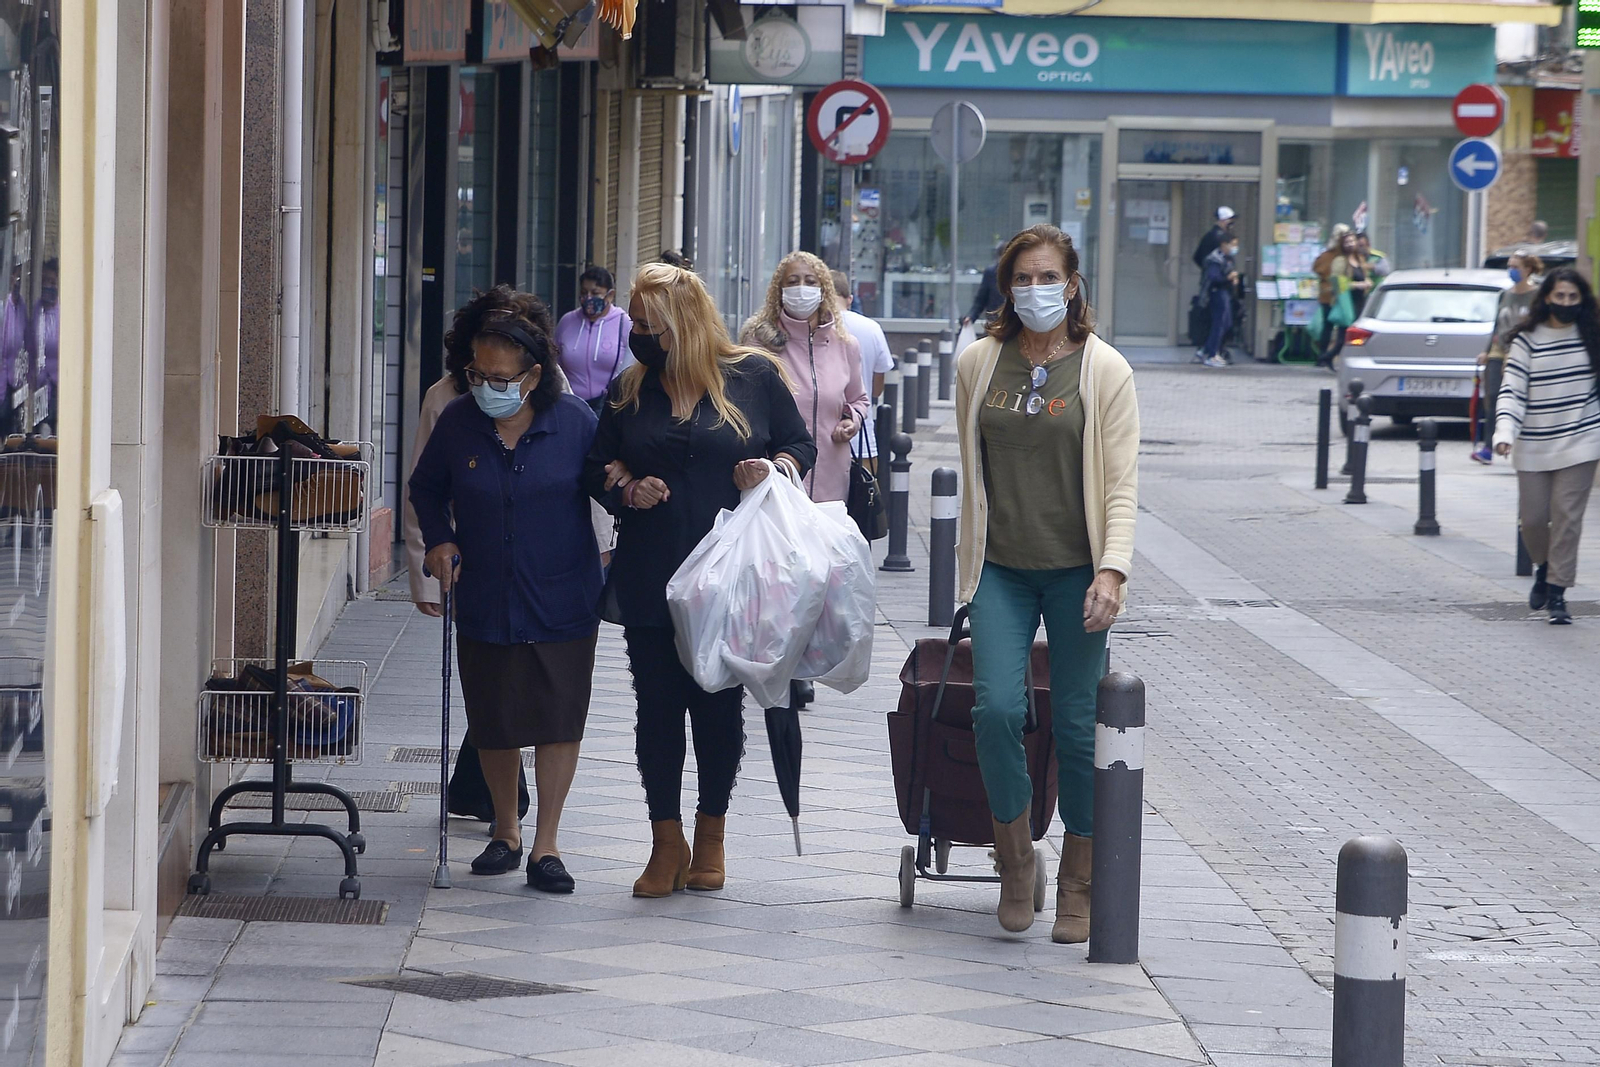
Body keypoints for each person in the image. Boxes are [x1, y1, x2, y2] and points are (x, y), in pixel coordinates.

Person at [586, 263, 816, 897]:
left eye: (645, 323)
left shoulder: (753, 376)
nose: (634, 332)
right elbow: (595, 463)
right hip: (650, 571)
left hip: (730, 575)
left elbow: (802, 446)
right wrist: (627, 486)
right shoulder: (631, 386)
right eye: (633, 320)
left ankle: (711, 832)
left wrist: (770, 469)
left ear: (680, 326)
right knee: (656, 708)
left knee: (716, 705)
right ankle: (665, 840)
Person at [952, 223, 1139, 942]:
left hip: (1076, 574)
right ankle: (1016, 858)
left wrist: (1113, 569)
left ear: (1072, 283)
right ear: (1006, 286)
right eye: (1020, 278)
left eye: (1046, 277)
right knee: (997, 708)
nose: (1033, 289)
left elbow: (1120, 485)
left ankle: (1080, 879)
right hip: (1001, 568)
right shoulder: (979, 362)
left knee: (1078, 727)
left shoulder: (1104, 370)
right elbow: (972, 472)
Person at [409, 290, 603, 892]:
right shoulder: (460, 421)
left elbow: (607, 488)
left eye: (500, 376)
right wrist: (438, 541)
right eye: (477, 373)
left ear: (534, 374)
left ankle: (546, 844)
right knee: (493, 716)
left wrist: (636, 490)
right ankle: (504, 829)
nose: (486, 384)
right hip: (486, 588)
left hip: (563, 590)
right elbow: (424, 488)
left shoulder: (575, 423)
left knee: (557, 716)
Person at [404, 286, 547, 829]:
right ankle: (496, 791)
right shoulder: (444, 399)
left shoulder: (552, 397)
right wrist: (426, 573)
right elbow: (424, 489)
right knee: (492, 676)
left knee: (518, 677)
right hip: (472, 559)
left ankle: (484, 786)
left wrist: (600, 548)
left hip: (537, 560)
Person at [1493, 268, 1600, 625]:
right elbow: (1512, 391)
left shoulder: (1592, 337)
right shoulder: (1527, 340)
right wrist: (1504, 433)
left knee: (1568, 517)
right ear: (1547, 298)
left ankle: (1558, 592)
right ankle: (1543, 566)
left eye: (1573, 297)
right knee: (1535, 519)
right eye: (1560, 297)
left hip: (1582, 440)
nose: (1567, 303)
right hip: (1534, 444)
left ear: (1582, 300)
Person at [739, 252, 870, 505]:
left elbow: (859, 399)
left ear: (823, 291)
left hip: (831, 482)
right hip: (776, 480)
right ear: (779, 291)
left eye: (810, 282)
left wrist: (850, 419)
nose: (802, 289)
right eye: (792, 281)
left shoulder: (846, 345)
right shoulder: (759, 343)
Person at [1475, 252, 1544, 464]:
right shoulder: (1504, 295)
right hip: (1499, 350)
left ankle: (1520, 442)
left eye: (1516, 266)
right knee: (1493, 396)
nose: (1511, 270)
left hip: (1524, 351)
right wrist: (1487, 351)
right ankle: (1488, 446)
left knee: (1522, 398)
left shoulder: (1538, 295)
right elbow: (1497, 325)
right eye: (1509, 265)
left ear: (1528, 269)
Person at [830, 269, 893, 474]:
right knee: (864, 495)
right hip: (861, 430)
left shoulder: (810, 327)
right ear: (849, 299)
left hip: (820, 434)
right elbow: (876, 388)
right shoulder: (871, 328)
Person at [554, 266, 633, 412]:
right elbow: (555, 363)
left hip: (608, 406)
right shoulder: (567, 321)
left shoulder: (624, 323)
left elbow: (632, 366)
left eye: (595, 293)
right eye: (584, 293)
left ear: (610, 295)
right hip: (571, 406)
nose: (588, 298)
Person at [1316, 230, 1371, 369]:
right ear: (1342, 244)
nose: (1351, 244)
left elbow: (1364, 275)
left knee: (1355, 333)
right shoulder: (1340, 261)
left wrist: (1367, 282)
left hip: (1360, 301)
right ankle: (1325, 357)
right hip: (1346, 301)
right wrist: (1357, 285)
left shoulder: (1360, 259)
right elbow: (1337, 281)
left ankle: (1331, 358)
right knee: (1343, 334)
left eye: (1352, 241)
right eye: (1347, 242)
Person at [1198, 233, 1241, 368]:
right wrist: (1228, 277)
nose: (1235, 248)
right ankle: (1211, 354)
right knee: (1219, 323)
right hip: (1217, 293)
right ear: (1224, 244)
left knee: (1226, 323)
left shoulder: (1228, 258)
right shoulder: (1215, 259)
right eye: (1232, 244)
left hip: (1225, 293)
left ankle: (1206, 349)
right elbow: (1214, 277)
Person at [964, 242, 1007, 328]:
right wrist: (971, 317)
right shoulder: (991, 273)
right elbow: (981, 300)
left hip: (1013, 325)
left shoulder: (1016, 274)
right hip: (994, 324)